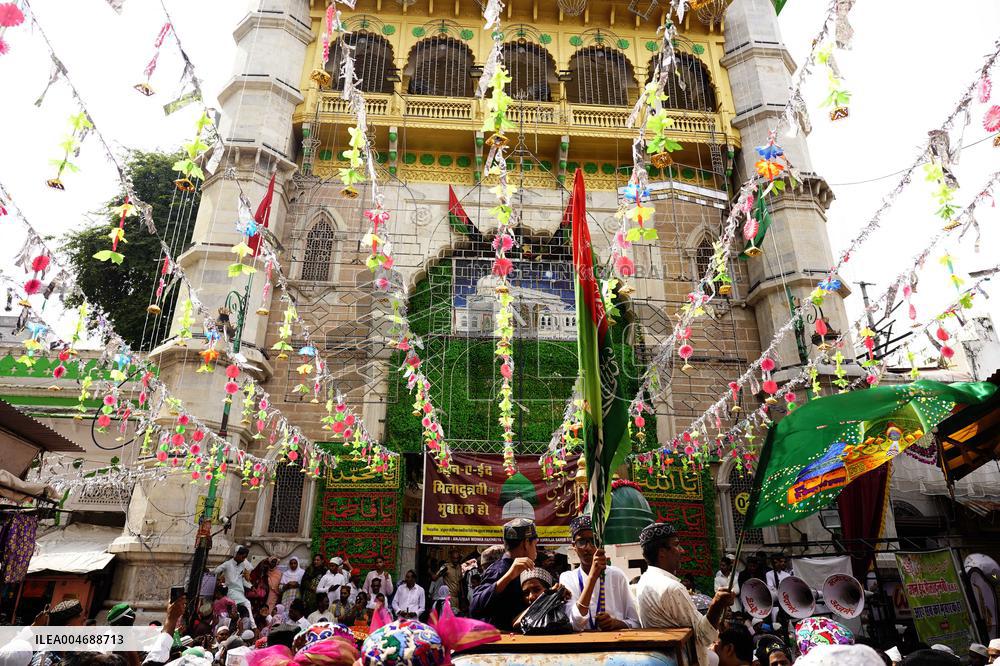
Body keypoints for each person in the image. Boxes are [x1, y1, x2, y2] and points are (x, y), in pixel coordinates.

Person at [635, 522, 734, 666]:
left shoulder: (644, 580)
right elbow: (704, 637)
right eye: (676, 545)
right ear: (662, 552)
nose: (682, 551)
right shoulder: (672, 588)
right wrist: (717, 604)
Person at [559, 514, 640, 632]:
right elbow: (576, 623)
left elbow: (636, 622)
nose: (588, 547)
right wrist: (592, 577)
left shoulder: (617, 575)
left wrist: (615, 623)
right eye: (581, 542)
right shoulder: (568, 578)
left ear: (601, 543)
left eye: (593, 541)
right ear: (574, 546)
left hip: (615, 642)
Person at [470, 518, 538, 630]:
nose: (536, 550)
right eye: (535, 544)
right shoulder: (499, 570)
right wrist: (508, 576)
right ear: (526, 543)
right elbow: (475, 607)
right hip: (501, 639)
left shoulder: (526, 568)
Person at [212, 546, 255, 628]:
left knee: (244, 608)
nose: (243, 559)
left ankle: (246, 627)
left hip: (240, 592)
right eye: (243, 557)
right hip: (231, 591)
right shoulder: (228, 564)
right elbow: (216, 570)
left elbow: (241, 580)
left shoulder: (242, 565)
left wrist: (251, 586)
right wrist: (209, 571)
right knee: (246, 604)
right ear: (237, 555)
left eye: (245, 558)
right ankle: (253, 627)